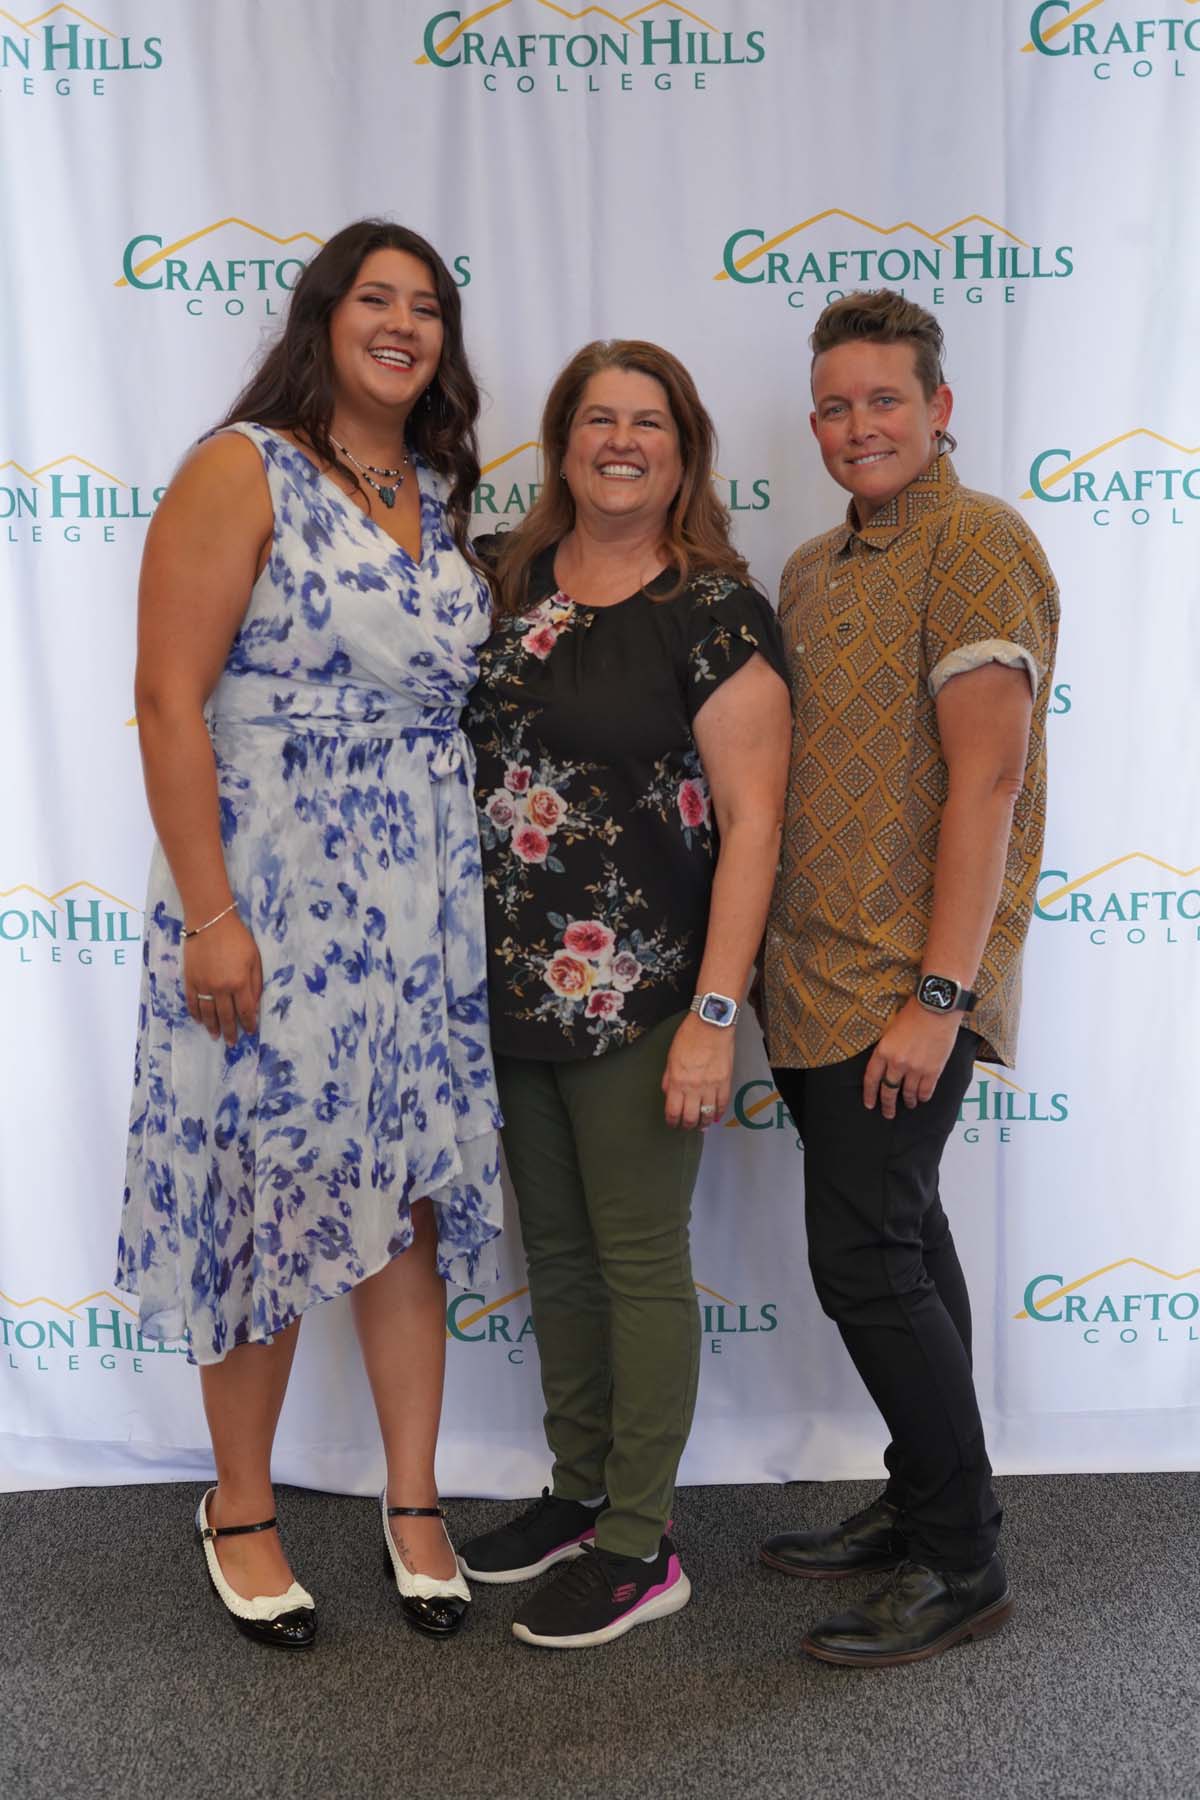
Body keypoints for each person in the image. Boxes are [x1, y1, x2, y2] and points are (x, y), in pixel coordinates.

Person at [116, 219, 503, 1647]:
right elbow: (169, 702)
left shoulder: (432, 490)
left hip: (416, 907)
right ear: (323, 316)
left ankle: (414, 1501)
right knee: (266, 1191)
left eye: (429, 307)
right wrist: (211, 915)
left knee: (403, 1195)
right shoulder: (244, 466)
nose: (403, 324)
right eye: (377, 300)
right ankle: (241, 1506)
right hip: (269, 899)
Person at [456, 340, 791, 1649]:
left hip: (644, 993)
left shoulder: (714, 609)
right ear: (563, 439)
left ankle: (645, 1545)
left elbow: (756, 823)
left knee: (640, 1261)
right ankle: (578, 1490)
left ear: (684, 448)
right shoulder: (503, 576)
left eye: (648, 422)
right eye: (598, 418)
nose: (621, 440)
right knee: (559, 1257)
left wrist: (713, 1019)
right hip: (505, 987)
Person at [761, 290, 1060, 1667]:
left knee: (864, 1257)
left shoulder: (977, 539)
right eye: (836, 405)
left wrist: (939, 996)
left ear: (940, 408)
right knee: (906, 1244)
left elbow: (987, 780)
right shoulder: (816, 567)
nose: (858, 425)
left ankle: (963, 1564)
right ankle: (938, 1494)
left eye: (885, 399)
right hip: (815, 976)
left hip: (907, 983)